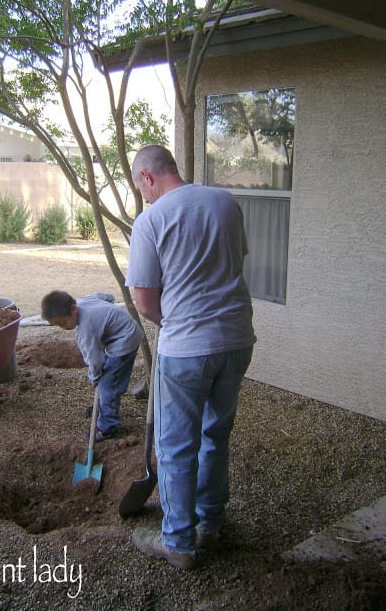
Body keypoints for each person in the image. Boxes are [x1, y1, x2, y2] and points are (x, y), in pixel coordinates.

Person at [125, 145, 256, 570]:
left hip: (186, 350)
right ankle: (210, 523)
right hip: (237, 341)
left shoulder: (151, 220)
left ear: (147, 176)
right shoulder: (225, 202)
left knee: (177, 446)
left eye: (140, 188)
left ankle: (178, 544)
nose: (143, 197)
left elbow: (145, 303)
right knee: (215, 435)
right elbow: (236, 260)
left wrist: (176, 322)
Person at [41, 291, 144, 441]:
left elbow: (95, 362)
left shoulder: (85, 330)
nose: (63, 328)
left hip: (125, 341)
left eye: (63, 323)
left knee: (108, 384)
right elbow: (108, 297)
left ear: (74, 309)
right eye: (58, 325)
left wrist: (94, 377)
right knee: (106, 380)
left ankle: (107, 426)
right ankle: (102, 407)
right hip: (116, 336)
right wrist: (107, 317)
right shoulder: (83, 300)